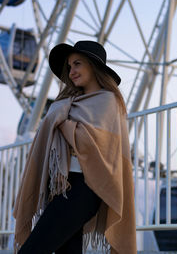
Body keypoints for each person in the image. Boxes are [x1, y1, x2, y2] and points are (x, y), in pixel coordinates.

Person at [13, 40, 137, 254]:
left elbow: (94, 146)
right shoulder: (67, 103)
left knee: (33, 250)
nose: (72, 71)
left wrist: (63, 122)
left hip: (86, 188)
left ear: (93, 66)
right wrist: (61, 119)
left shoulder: (108, 101)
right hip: (61, 185)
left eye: (77, 64)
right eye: (70, 67)